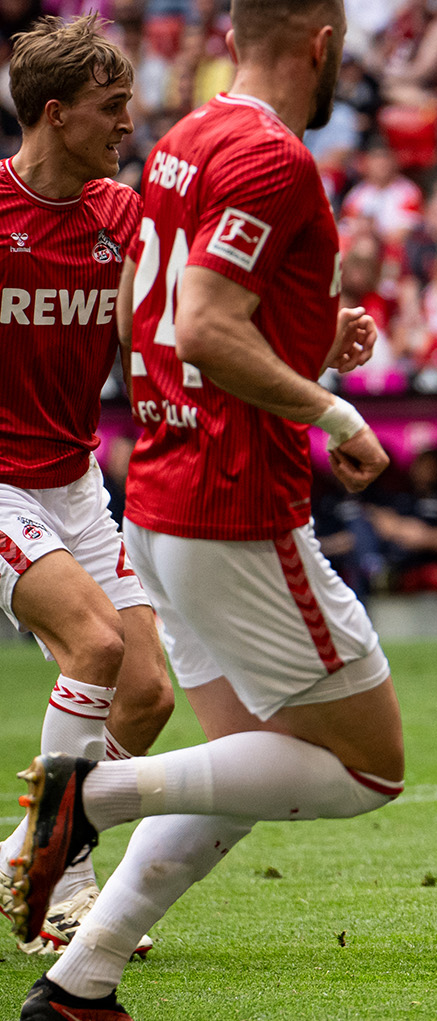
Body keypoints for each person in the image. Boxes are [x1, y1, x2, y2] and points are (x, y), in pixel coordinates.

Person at [8, 0, 402, 1021]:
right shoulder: (270, 159)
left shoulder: (175, 155)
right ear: (321, 43)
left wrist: (315, 342)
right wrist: (332, 407)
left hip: (140, 490)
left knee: (222, 738)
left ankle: (80, 982)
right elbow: (209, 323)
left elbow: (173, 314)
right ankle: (83, 805)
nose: (125, 122)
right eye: (105, 108)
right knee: (366, 767)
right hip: (227, 502)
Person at [0, 15, 176, 962]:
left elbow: (168, 337)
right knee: (97, 645)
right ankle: (59, 883)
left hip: (70, 480)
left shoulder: (125, 216)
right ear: (56, 113)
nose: (128, 122)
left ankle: (23, 849)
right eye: (112, 108)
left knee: (146, 695)